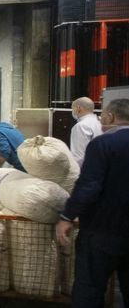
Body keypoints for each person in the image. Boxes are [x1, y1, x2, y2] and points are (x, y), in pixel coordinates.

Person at [56, 98, 129, 307]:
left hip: (102, 229)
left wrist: (67, 215)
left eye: (103, 114)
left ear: (111, 116)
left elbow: (89, 185)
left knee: (90, 288)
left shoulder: (103, 143)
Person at [70, 96, 103, 167]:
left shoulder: (81, 126)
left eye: (73, 108)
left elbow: (79, 156)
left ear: (78, 108)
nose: (72, 111)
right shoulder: (101, 122)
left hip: (88, 170)